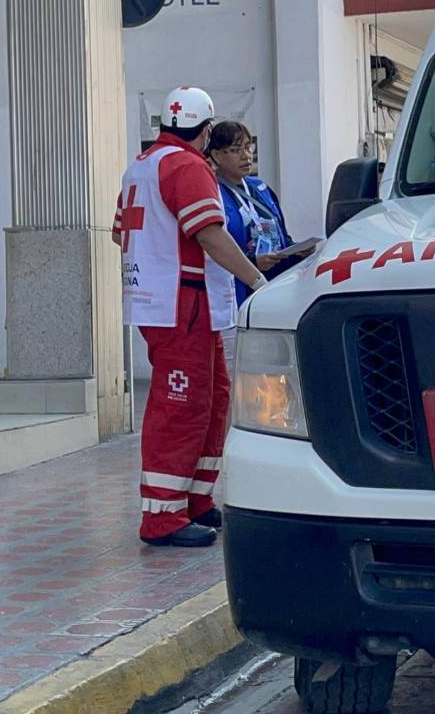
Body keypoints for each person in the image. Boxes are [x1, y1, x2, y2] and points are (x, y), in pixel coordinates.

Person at [111, 86, 267, 548]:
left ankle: (195, 499)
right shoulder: (186, 166)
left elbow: (120, 234)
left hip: (159, 301)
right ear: (204, 131)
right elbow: (209, 234)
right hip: (183, 304)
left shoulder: (140, 166)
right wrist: (258, 282)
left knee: (213, 395)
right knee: (181, 405)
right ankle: (162, 515)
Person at [206, 120, 314, 370]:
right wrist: (253, 263)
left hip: (272, 290)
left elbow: (281, 235)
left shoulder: (260, 188)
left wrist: (296, 251)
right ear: (216, 155)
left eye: (248, 147)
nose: (246, 156)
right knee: (237, 372)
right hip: (234, 296)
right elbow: (212, 246)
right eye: (235, 150)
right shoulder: (212, 192)